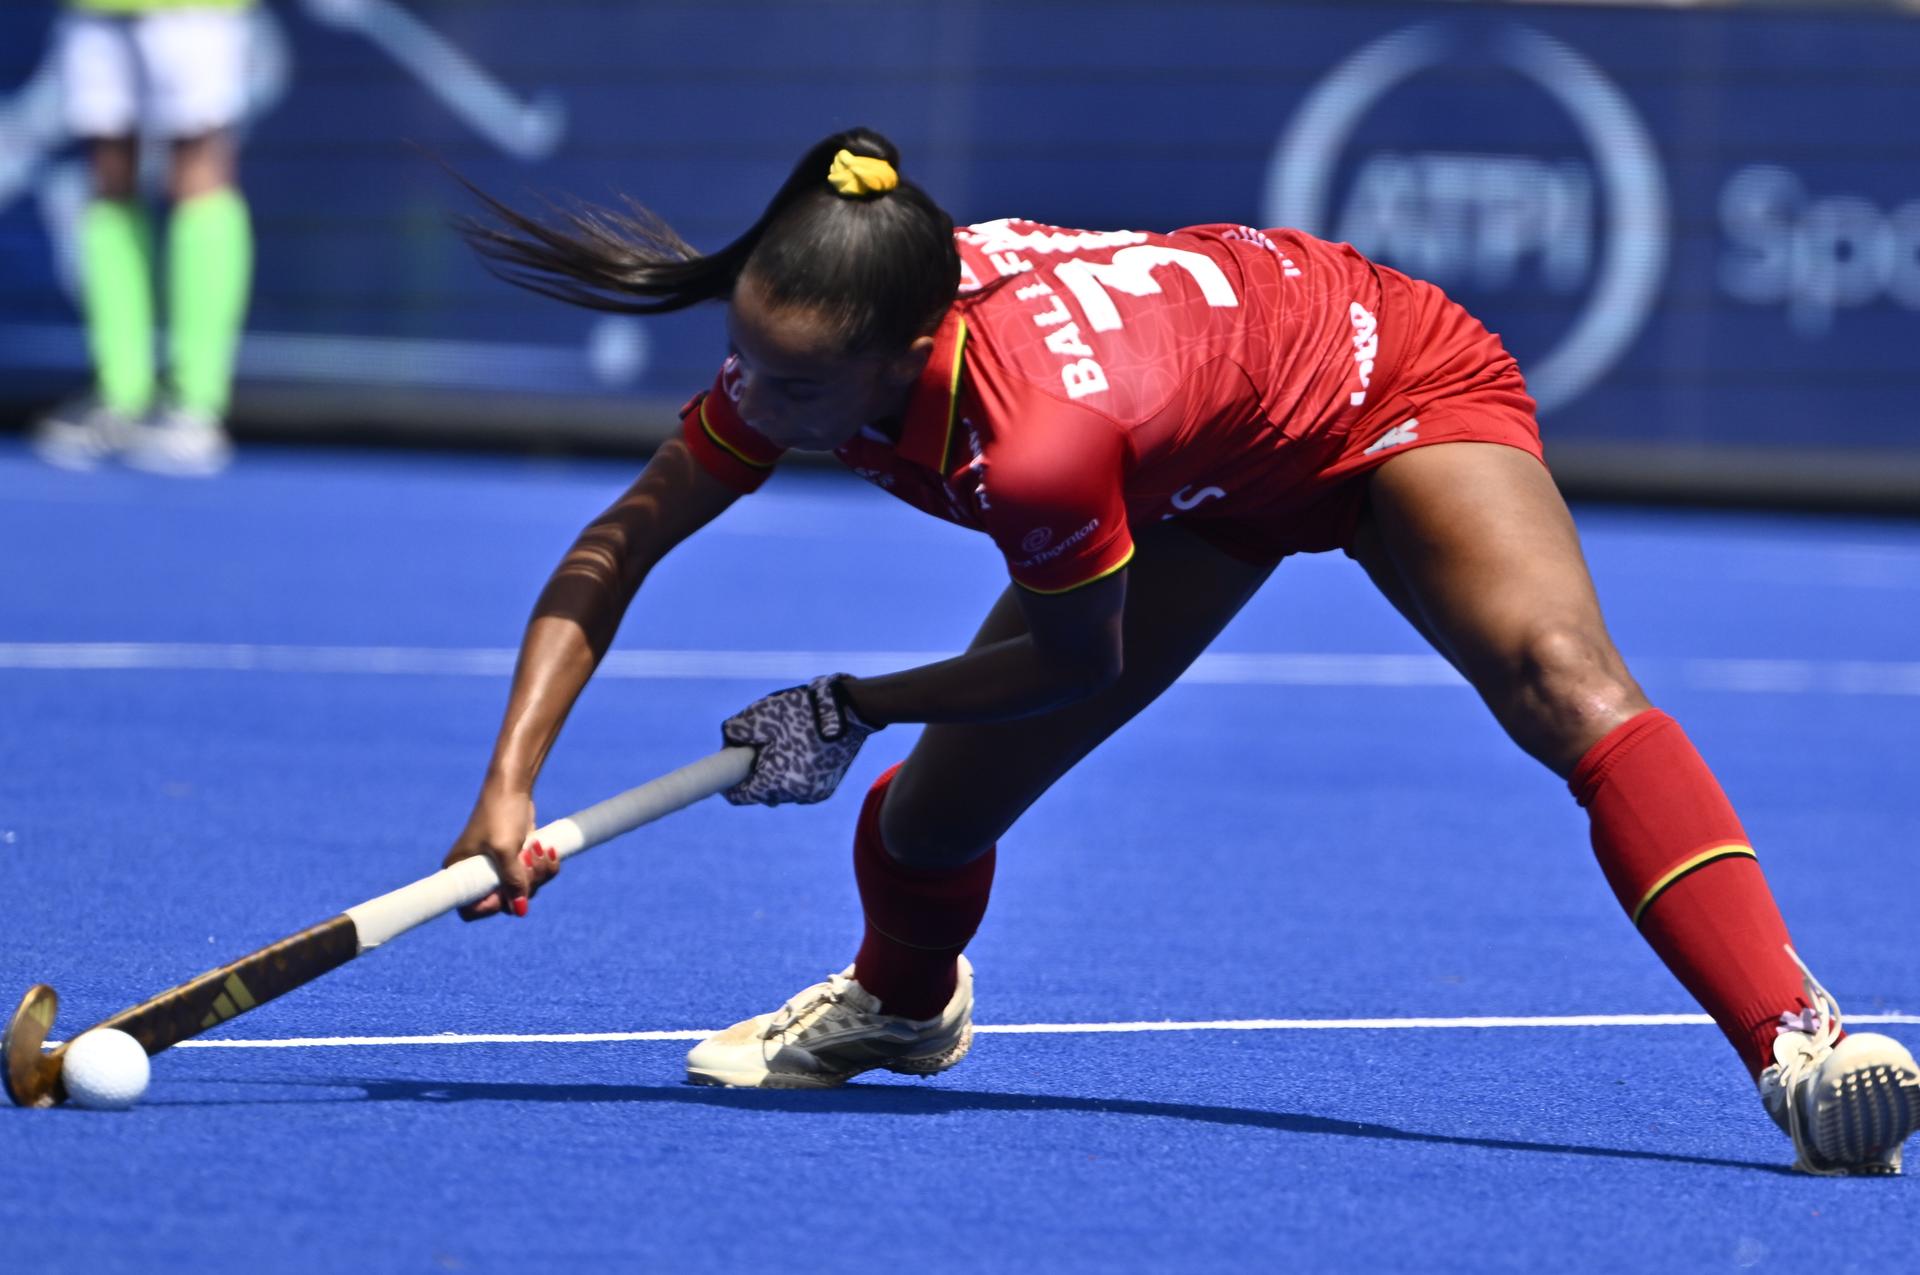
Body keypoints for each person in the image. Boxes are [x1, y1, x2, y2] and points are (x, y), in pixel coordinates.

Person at [443, 128, 1919, 1175]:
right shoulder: (817, 346)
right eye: (747, 358)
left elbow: (1079, 659)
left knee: (1562, 681)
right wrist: (508, 786)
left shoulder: (1035, 439)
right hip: (1195, 472)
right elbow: (616, 542)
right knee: (933, 818)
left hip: (1378, 380)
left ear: (911, 345)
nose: (758, 400)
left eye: (798, 380)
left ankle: (1797, 1044)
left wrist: (848, 701)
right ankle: (901, 1000)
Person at [31, 0, 254, 476]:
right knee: (108, 179)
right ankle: (121, 395)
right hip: (95, 10)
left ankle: (195, 403)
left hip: (197, 12)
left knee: (199, 173)